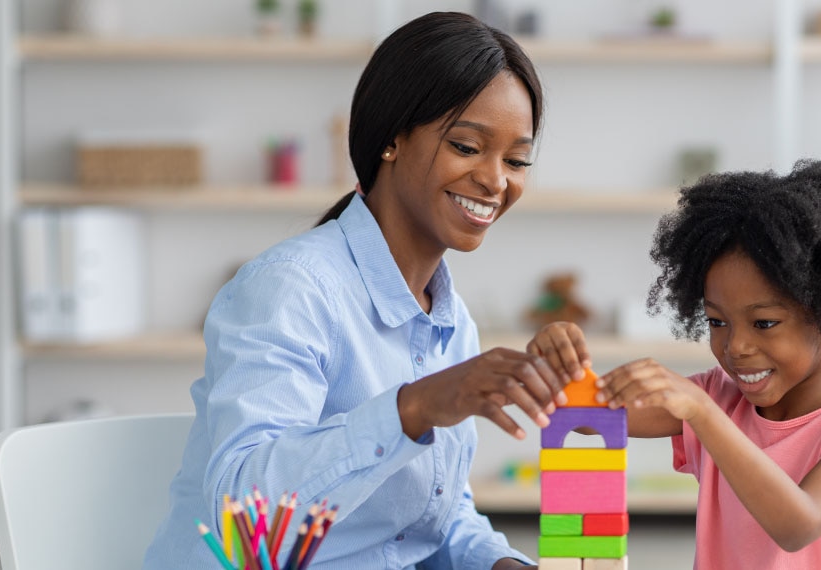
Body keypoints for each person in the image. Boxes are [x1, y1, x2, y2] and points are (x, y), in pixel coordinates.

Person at [145, 12, 560, 569]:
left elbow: (429, 515)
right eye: (467, 146)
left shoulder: (452, 320)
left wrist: (500, 563)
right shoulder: (290, 288)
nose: (495, 180)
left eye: (516, 160)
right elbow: (242, 512)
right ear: (392, 138)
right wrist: (410, 410)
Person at [529, 161, 821, 568]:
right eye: (717, 321)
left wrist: (702, 413)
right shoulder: (717, 397)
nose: (735, 346)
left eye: (764, 323)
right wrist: (553, 361)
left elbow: (799, 525)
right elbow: (583, 414)